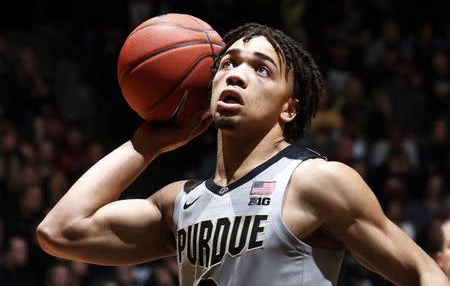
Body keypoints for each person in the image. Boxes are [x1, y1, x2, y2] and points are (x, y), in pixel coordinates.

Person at [36, 23, 448, 285]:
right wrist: (146, 146)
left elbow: (424, 272)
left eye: (261, 68)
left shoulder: (316, 181)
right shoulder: (180, 202)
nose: (236, 72)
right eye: (228, 62)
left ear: (290, 108)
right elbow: (60, 231)